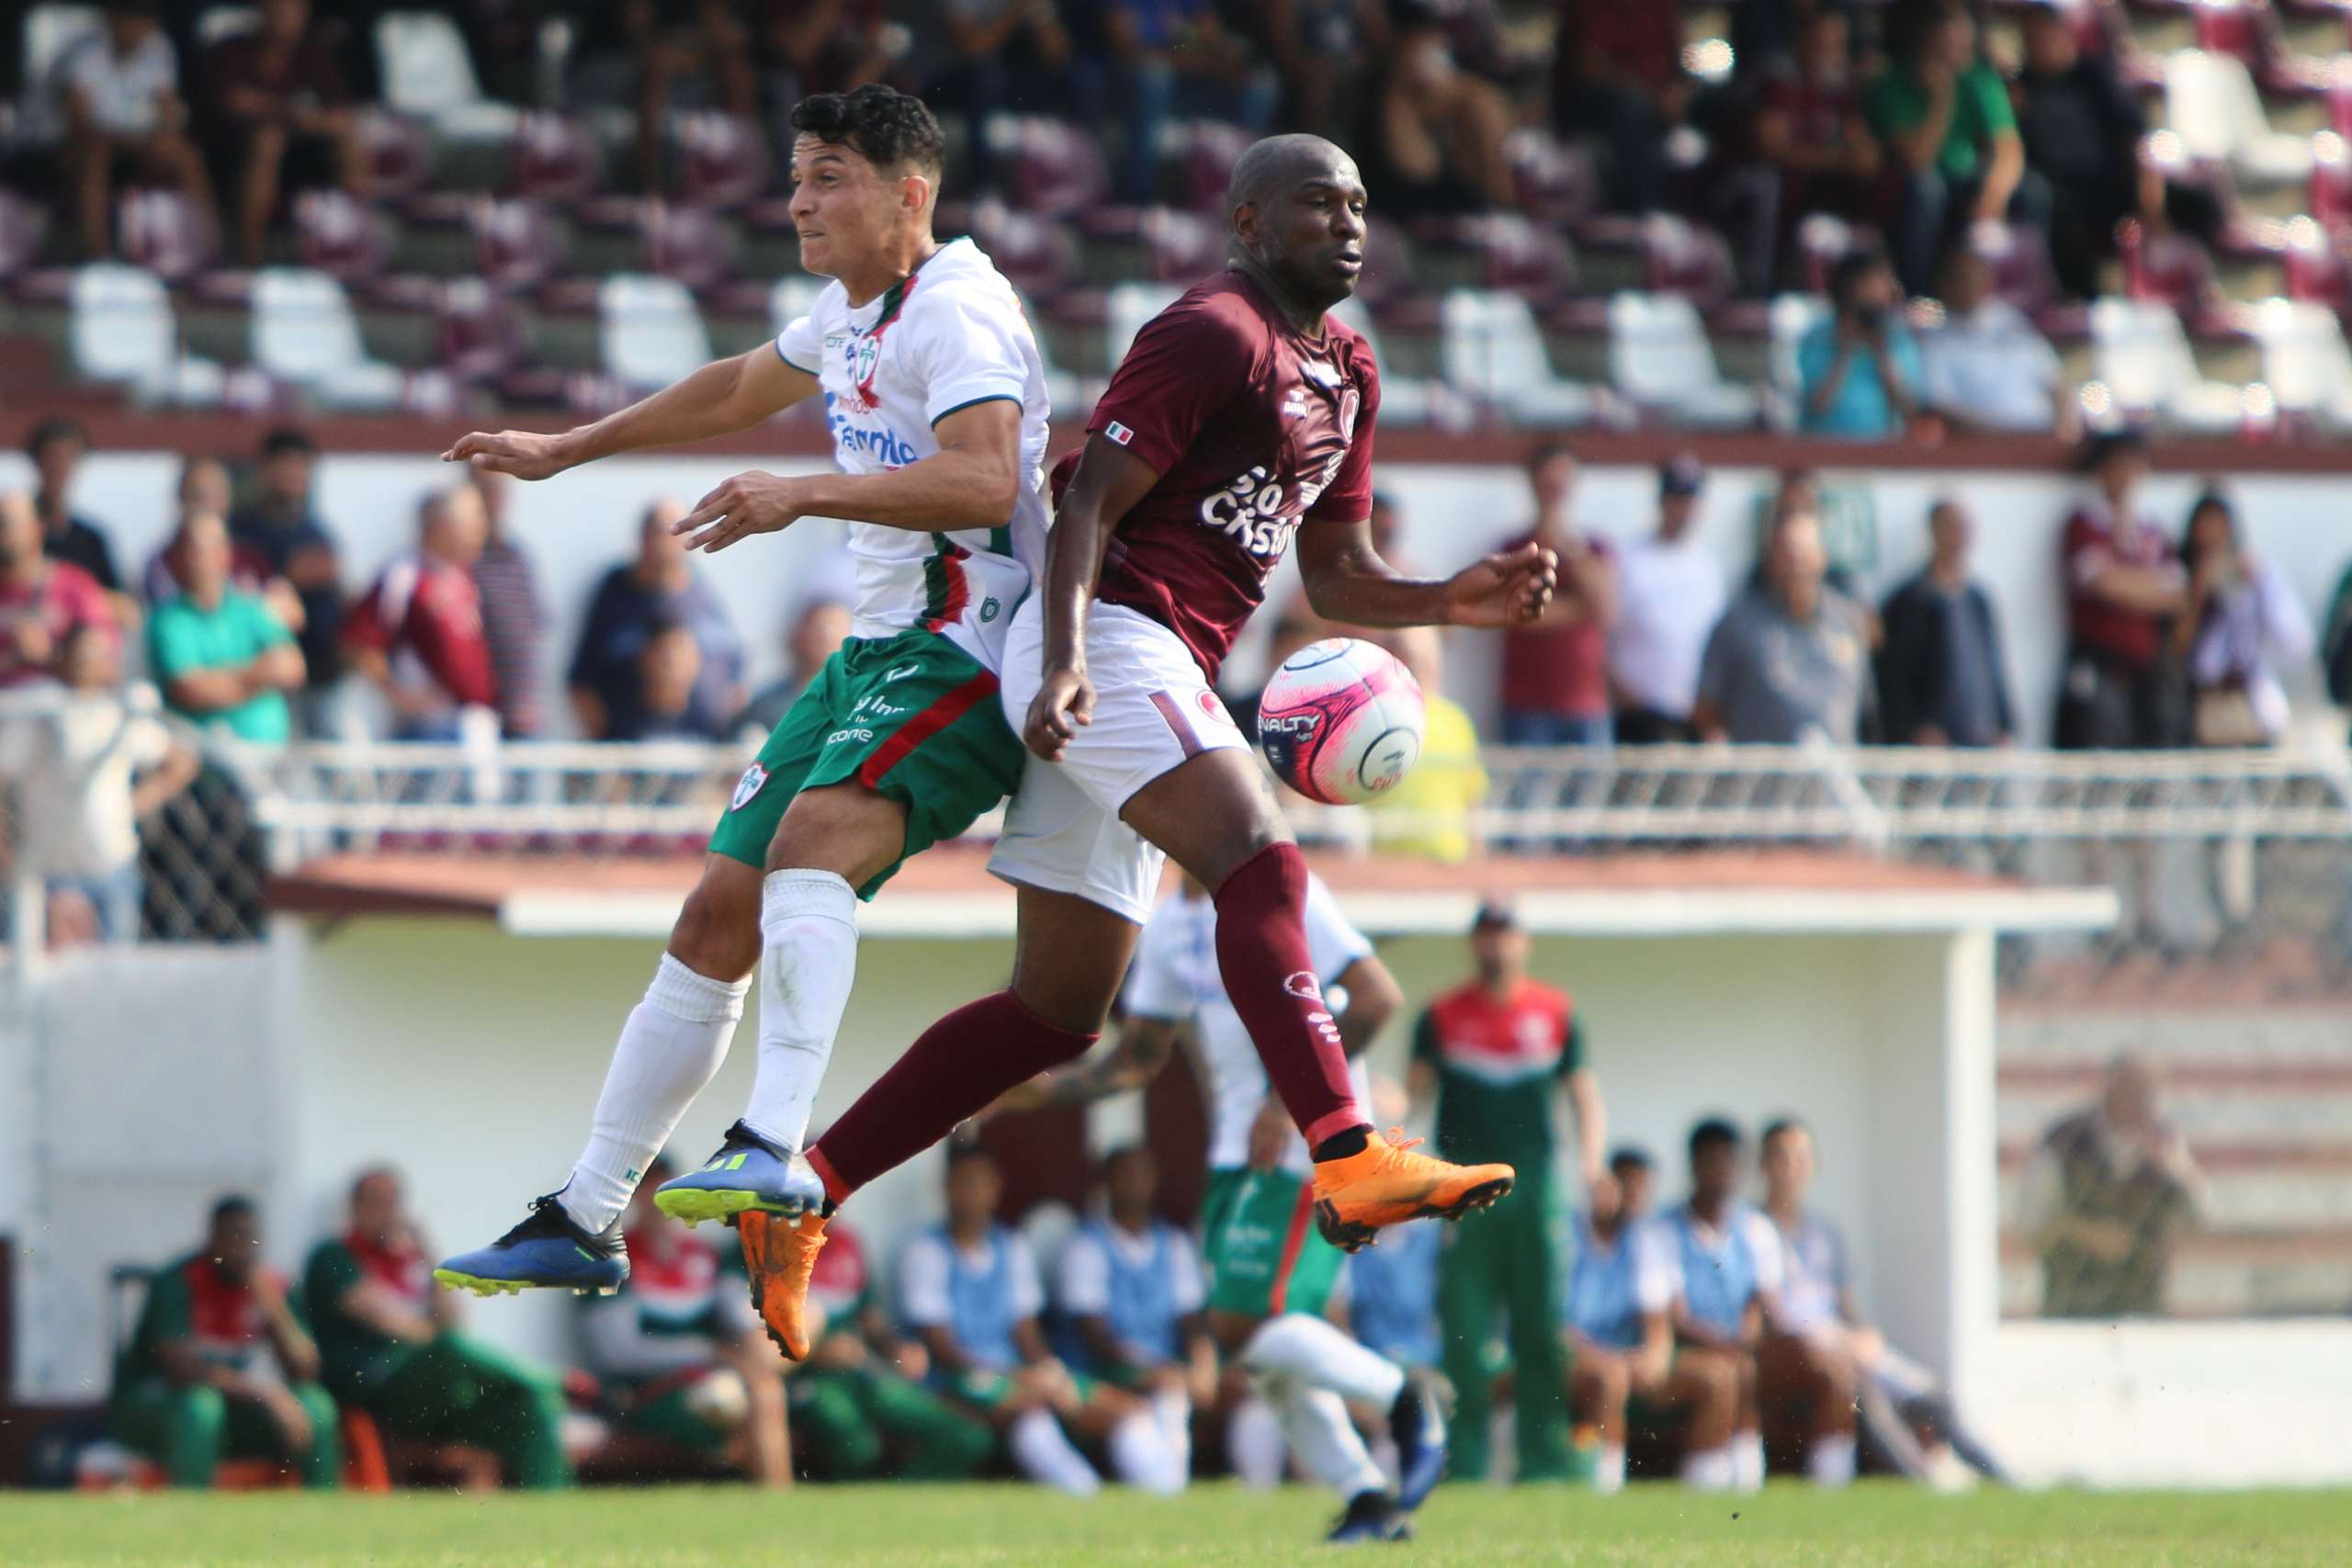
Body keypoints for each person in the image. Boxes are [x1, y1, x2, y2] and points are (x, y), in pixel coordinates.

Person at [730, 134, 1551, 1364]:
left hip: (1161, 663)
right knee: (1262, 865)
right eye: (1319, 203)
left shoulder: (1351, 373)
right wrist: (1060, 658)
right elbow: (1083, 507)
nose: (1350, 223)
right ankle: (1348, 1148)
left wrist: (1455, 599)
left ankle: (801, 1192)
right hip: (1111, 639)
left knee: (1056, 1012)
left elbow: (1335, 571)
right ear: (1248, 220)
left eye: (1361, 203)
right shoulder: (1213, 330)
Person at [433, 85, 1051, 1298]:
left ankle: (773, 1144)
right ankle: (585, 1211)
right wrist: (568, 448)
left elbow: (984, 483)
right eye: (796, 175)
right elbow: (732, 387)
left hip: (965, 647)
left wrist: (804, 492)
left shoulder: (962, 314)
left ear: (906, 195)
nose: (798, 202)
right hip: (876, 650)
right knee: (718, 909)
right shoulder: (855, 307)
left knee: (811, 847)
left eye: (826, 177)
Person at [994, 869, 1443, 1543]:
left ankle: (1405, 1397)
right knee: (1264, 1352)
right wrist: (1041, 1091)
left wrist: (1281, 1099)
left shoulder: (1282, 888)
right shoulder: (1172, 924)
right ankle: (1367, 1496)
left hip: (1307, 1145)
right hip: (1235, 1158)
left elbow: (1376, 999)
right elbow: (1140, 1056)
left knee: (1238, 1325)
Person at [1411, 899, 1605, 1484]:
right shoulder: (1441, 1015)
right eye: (1486, 935)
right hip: (1465, 1194)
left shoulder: (1555, 1012)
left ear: (1525, 942)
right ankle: (1465, 1463)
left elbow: (1583, 1096)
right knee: (1465, 1332)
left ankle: (1545, 1461)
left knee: (1542, 1329)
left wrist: (1592, 1168)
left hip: (1536, 1189)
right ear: (1473, 944)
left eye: (1506, 934)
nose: (1496, 946)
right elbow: (1415, 1093)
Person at [896, 1142, 1186, 1496]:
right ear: (947, 1188)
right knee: (1030, 1409)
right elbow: (943, 1348)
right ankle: (1080, 1495)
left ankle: (1166, 1495)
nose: (973, 1193)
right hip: (960, 1378)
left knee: (1124, 1409)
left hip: (1016, 1374)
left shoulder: (1009, 1246)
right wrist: (1023, 1378)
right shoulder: (928, 1250)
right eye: (964, 1183)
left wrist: (1048, 1370)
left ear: (996, 1189)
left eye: (981, 1183)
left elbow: (1026, 1333)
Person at [1758, 1119, 2007, 1488]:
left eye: (1802, 1157)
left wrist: (1862, 1333)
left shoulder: (1824, 1232)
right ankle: (1925, 1483)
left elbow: (1845, 1305)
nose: (1793, 1167)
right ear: (1764, 1164)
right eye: (1783, 1157)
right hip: (1798, 1348)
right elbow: (1773, 1312)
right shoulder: (1754, 1229)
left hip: (1841, 1342)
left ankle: (2002, 1479)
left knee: (1929, 1393)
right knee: (1865, 1394)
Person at [303, 1169, 575, 1489]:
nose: (385, 1213)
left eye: (392, 1203)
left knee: (530, 1409)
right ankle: (550, 1380)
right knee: (452, 1348)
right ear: (354, 1207)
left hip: (434, 1391)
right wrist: (438, 1336)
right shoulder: (333, 1256)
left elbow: (453, 1319)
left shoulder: (409, 1262)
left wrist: (427, 1251)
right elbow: (387, 1321)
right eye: (375, 1203)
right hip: (380, 1384)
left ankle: (551, 1507)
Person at [576, 1158, 788, 1484]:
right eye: (647, 1189)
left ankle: (776, 1499)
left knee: (764, 1388)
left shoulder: (702, 1256)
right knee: (729, 1401)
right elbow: (619, 1353)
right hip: (650, 1393)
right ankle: (764, 1495)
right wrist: (709, 1352)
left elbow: (737, 1314)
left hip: (719, 1376)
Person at [109, 1196, 340, 1490]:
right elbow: (184, 1370)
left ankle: (322, 1514)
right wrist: (266, 1394)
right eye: (232, 1236)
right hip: (162, 1404)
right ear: (212, 1238)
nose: (241, 1248)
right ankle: (190, 1511)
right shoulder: (179, 1281)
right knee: (201, 1408)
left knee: (316, 1405)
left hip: (241, 1406)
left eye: (250, 1238)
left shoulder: (273, 1286)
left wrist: (274, 1311)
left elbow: (307, 1369)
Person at [0, 621, 195, 943]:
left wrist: (134, 806)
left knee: (115, 977)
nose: (87, 661)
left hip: (111, 867)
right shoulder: (38, 709)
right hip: (45, 873)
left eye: (97, 654)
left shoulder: (118, 712)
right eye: (80, 652)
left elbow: (179, 761)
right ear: (62, 655)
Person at [1563, 1146, 1742, 1494]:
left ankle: (1704, 1495)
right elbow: (1555, 1323)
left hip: (1626, 1359)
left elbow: (1657, 1321)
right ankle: (1605, 1491)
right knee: (1608, 1377)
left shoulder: (1647, 1239)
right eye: (1626, 1186)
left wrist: (1654, 1358)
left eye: (1643, 1189)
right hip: (1577, 1357)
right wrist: (1608, 1360)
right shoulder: (1566, 1234)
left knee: (1717, 1378)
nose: (1634, 1198)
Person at [787, 1215, 997, 1482]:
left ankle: (902, 1496)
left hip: (862, 1373)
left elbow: (869, 1317)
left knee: (968, 1434)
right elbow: (749, 1336)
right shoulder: (764, 1244)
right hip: (809, 1381)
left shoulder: (844, 1244)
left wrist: (898, 1349)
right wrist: (813, 1353)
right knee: (856, 1444)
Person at [1050, 1146, 1216, 1482]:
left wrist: (1203, 1365)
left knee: (1192, 1393)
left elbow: (1193, 1321)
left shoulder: (1172, 1243)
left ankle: (1175, 1493)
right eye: (1124, 1175)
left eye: (1142, 1175)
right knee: (1144, 1417)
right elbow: (1095, 1336)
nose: (1134, 1184)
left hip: (1167, 1372)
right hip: (1104, 1374)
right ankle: (1164, 1489)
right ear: (1105, 1184)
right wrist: (1149, 1370)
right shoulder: (1087, 1246)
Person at [1865, 0, 2033, 298]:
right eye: (1950, 32)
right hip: (1915, 183)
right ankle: (1918, 295)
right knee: (1925, 190)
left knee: (2032, 192)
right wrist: (1941, 99)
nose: (1960, 40)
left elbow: (2008, 150)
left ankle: (2026, 292)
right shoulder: (1890, 84)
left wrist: (1991, 200)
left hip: (1966, 180)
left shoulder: (1980, 78)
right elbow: (1917, 159)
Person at [2018, 1055, 2205, 1319]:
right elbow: (2029, 1225)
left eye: (2151, 1093)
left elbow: (2201, 1218)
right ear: (2111, 1087)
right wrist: (2083, 1232)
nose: (2145, 1103)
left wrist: (2177, 1172)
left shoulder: (2167, 1142)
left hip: (2145, 1306)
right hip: (2073, 1304)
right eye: (2136, 1091)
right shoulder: (2063, 1142)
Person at [197, 0, 366, 266]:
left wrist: (285, 115)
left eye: (296, 11)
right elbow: (234, 104)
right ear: (262, 12)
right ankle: (249, 258)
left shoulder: (313, 55)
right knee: (268, 141)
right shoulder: (231, 50)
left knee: (350, 141)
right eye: (280, 9)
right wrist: (294, 112)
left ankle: (355, 246)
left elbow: (340, 117)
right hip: (233, 159)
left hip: (303, 157)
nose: (287, 18)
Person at [1662, 1119, 1780, 1492]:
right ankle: (1704, 1484)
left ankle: (1746, 1478)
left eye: (1730, 1162)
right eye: (1712, 1160)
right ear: (1694, 1165)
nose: (1722, 1172)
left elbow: (1762, 1302)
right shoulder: (1664, 1229)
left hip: (1741, 1348)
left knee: (1743, 1368)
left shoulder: (1756, 1228)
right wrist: (1727, 1344)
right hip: (1684, 1350)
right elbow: (1673, 1315)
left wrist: (1746, 1336)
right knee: (1723, 1374)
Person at [2054, 431, 2189, 750]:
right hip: (2102, 666)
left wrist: (2127, 583)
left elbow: (2176, 595)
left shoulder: (2151, 529)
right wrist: (2146, 585)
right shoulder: (2086, 524)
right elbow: (2103, 584)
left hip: (2147, 671)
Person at [568, 501, 744, 742]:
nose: (669, 543)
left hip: (703, 749)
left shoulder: (704, 596)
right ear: (642, 538)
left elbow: (736, 674)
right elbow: (582, 682)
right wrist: (606, 746)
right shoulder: (617, 593)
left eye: (681, 532)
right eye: (663, 532)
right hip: (631, 749)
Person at [1693, 511, 1875, 745]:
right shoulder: (1736, 623)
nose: (1796, 565)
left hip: (1836, 774)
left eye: (1804, 554)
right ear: (1771, 560)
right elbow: (1707, 708)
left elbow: (1867, 709)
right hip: (1760, 777)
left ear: (1822, 558)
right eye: (1787, 554)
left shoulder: (1849, 619)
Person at [54, 0, 214, 261]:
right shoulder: (84, 52)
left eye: (144, 19)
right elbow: (80, 122)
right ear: (112, 17)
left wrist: (159, 134)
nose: (136, 27)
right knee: (97, 153)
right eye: (130, 17)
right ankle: (99, 255)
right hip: (72, 145)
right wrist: (128, 137)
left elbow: (168, 110)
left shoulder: (158, 48)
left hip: (134, 142)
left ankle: (209, 250)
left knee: (184, 153)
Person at [2013, 2, 2151, 300]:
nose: (2040, 46)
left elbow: (2131, 136)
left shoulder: (2094, 76)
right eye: (2030, 39)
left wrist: (2148, 193)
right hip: (2058, 190)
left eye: (2045, 36)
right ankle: (2085, 297)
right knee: (2059, 211)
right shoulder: (2020, 90)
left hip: (2109, 183)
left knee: (2195, 204)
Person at [343, 486, 498, 741]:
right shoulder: (404, 575)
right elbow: (359, 643)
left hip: (473, 722)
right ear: (443, 526)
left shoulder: (462, 576)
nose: (480, 531)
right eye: (471, 523)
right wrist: (399, 695)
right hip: (430, 728)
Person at [1747, 8, 1880, 289]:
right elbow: (1773, 149)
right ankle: (1759, 285)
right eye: (1822, 41)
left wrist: (1850, 156)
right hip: (1775, 183)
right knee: (1767, 185)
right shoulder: (1779, 82)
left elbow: (1865, 155)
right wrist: (1836, 158)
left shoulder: (1843, 91)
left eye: (1836, 43)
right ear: (1801, 41)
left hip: (1824, 186)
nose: (1829, 50)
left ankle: (1872, 286)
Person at [1097, 0, 1278, 205]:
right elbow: (1127, 47)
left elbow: (1212, 39)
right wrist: (1189, 58)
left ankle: (1246, 186)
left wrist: (1224, 59)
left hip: (1190, 79)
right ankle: (1141, 197)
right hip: (1138, 85)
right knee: (1154, 76)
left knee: (1260, 83)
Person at [148, 513, 305, 744]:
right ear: (177, 559)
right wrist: (257, 677)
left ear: (225, 556)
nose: (200, 561)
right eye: (193, 551)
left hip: (271, 754)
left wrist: (224, 680)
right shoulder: (167, 620)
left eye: (208, 551)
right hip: (206, 759)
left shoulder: (252, 608)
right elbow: (190, 689)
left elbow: (291, 667)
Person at [1498, 442, 1615, 748]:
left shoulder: (1594, 548)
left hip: (1586, 703)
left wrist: (1567, 546)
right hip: (1528, 707)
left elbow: (1606, 610)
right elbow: (1518, 615)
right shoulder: (1514, 548)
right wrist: (1581, 609)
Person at [2176, 491, 2312, 747]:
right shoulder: (2178, 576)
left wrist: (2258, 584)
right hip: (2197, 701)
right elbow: (2180, 649)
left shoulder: (2256, 577)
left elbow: (2294, 641)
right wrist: (2198, 593)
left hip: (2250, 700)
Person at [228, 427, 344, 728]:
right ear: (265, 468)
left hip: (319, 673)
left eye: (303, 465)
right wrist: (289, 576)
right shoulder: (242, 530)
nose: (296, 474)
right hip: (262, 672)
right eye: (287, 464)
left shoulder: (317, 531)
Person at [1876, 500, 2013, 748]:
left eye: (1963, 528)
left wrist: (2004, 724)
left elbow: (1992, 664)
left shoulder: (1978, 599)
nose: (1957, 536)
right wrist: (1914, 727)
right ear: (1933, 532)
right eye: (1950, 527)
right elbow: (1894, 675)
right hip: (1936, 744)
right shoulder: (1910, 601)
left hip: (1981, 738)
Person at [1608, 455, 1721, 743]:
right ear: (1662, 501)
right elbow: (1605, 635)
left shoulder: (1706, 565)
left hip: (1692, 714)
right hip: (1640, 713)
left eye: (1690, 500)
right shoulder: (1630, 559)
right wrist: (1627, 697)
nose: (1684, 510)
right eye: (1677, 499)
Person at [1360, 6, 1511, 219]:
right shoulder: (1390, 93)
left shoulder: (1469, 94)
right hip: (1403, 203)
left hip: (1468, 201)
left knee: (1480, 100)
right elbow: (1419, 171)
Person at [1550, 0, 1688, 214]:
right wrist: (1652, 96)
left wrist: (1678, 94)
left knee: (1714, 102)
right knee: (1633, 109)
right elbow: (1591, 66)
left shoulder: (1662, 6)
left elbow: (1678, 62)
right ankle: (1641, 211)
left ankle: (1711, 214)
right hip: (1595, 100)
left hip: (1658, 97)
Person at [1364, 626, 1486, 864]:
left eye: (1424, 657)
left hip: (1448, 865)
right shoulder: (1369, 719)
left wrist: (1477, 863)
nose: (1420, 665)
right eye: (1409, 657)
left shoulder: (1455, 720)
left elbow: (1472, 800)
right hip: (1385, 866)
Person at [1918, 245, 2066, 435]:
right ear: (1946, 284)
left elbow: (2055, 384)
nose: (1969, 285)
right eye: (1961, 279)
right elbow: (1942, 409)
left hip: (2042, 438)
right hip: (1984, 449)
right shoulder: (1936, 342)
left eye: (1974, 277)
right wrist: (2003, 437)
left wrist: (2061, 428)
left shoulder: (2014, 323)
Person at [1799, 250, 1922, 439]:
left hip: (1882, 450)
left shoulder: (1897, 336)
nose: (1880, 292)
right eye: (1871, 284)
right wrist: (1846, 350)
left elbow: (1908, 407)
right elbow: (1816, 405)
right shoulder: (1819, 335)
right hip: (1825, 448)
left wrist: (1881, 352)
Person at [0, 490, 117, 690]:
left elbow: (107, 670)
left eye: (5, 523)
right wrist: (13, 657)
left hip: (62, 709)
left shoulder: (75, 585)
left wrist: (52, 656)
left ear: (37, 529)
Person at [468, 471, 547, 739]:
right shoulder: (462, 560)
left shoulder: (519, 556)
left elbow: (535, 623)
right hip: (476, 716)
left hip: (522, 713)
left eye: (499, 491)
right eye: (486, 491)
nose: (493, 500)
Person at [24, 418, 124, 599]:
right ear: (37, 462)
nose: (59, 467)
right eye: (51, 457)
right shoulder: (13, 535)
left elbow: (121, 604)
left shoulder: (91, 540)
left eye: (68, 457)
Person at [733, 592, 854, 739]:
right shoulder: (767, 703)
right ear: (797, 634)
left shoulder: (863, 703)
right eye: (818, 628)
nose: (825, 636)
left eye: (834, 629)